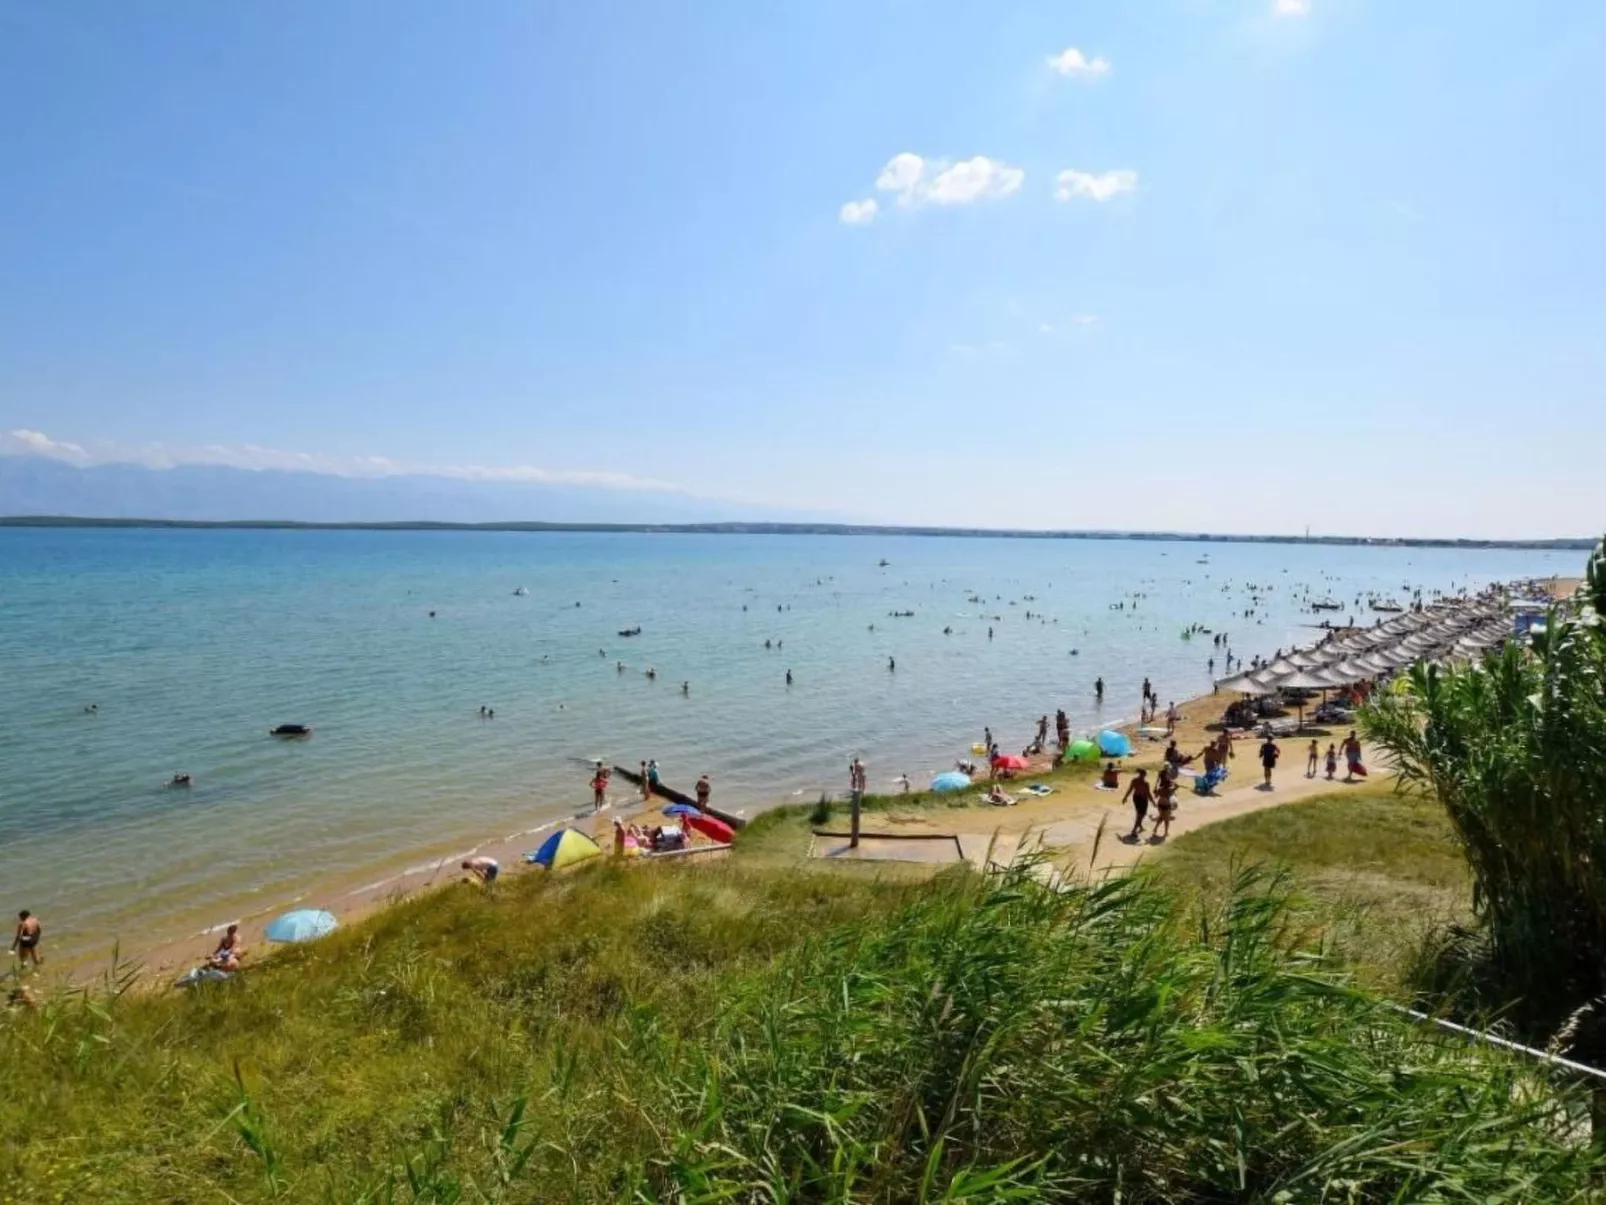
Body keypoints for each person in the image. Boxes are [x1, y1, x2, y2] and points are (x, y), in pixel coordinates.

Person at [1122, 770, 1153, 840]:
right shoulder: (1145, 783)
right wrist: (1153, 802)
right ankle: (1134, 830)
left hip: (1136, 798)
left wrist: (1125, 797)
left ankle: (1140, 825)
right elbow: (1148, 794)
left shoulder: (1134, 780)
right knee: (1142, 814)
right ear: (1144, 775)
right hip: (1142, 799)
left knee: (1139, 813)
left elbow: (1130, 790)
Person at [1153, 767, 1178, 839]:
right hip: (1166, 805)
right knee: (1166, 820)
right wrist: (1174, 783)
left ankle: (1155, 828)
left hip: (1160, 804)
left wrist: (1155, 791)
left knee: (1161, 817)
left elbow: (1156, 796)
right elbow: (1176, 787)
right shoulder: (1169, 790)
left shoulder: (1160, 789)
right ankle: (1166, 832)